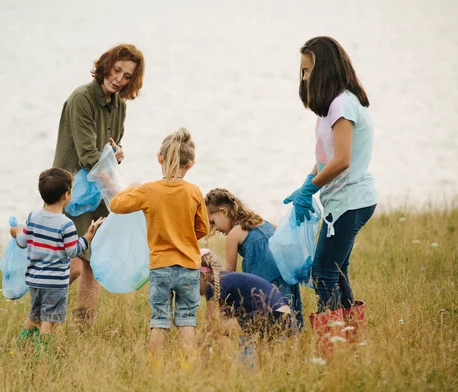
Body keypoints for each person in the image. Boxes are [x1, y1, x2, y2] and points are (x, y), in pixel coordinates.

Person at [284, 36, 377, 352]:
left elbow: (342, 159)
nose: (305, 78)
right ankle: (351, 342)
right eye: (302, 71)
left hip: (350, 203)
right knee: (336, 272)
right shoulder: (334, 105)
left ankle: (330, 350)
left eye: (308, 70)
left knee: (323, 274)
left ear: (324, 69)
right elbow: (326, 157)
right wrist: (305, 184)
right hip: (342, 203)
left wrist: (311, 188)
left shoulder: (342, 104)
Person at [52, 44, 145, 323]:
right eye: (117, 70)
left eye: (127, 76)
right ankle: (42, 306)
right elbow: (88, 156)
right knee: (75, 265)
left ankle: (84, 327)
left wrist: (117, 154)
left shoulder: (120, 106)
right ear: (106, 65)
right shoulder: (82, 98)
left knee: (95, 261)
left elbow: (108, 149)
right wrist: (117, 188)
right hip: (73, 192)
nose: (119, 78)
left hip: (99, 191)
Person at [109, 127, 209, 360]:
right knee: (187, 320)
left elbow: (116, 204)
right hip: (188, 267)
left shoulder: (148, 190)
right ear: (191, 164)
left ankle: (155, 372)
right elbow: (203, 228)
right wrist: (184, 236)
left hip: (161, 266)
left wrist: (133, 188)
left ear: (159, 158)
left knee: (159, 321)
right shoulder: (194, 191)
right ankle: (189, 370)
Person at [9, 168, 104, 346]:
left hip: (35, 281)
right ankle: (43, 357)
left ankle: (19, 347)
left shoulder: (33, 217)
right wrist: (89, 235)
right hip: (55, 284)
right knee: (49, 321)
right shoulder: (66, 224)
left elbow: (22, 241)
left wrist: (15, 231)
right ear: (66, 195)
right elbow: (72, 251)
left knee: (34, 315)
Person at [204, 188, 304, 329]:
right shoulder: (263, 222)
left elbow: (227, 274)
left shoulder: (233, 235)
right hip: (286, 277)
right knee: (288, 324)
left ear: (223, 211)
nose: (214, 229)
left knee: (264, 327)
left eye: (213, 222)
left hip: (264, 282)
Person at [199, 248, 294, 366]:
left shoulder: (212, 286)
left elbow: (211, 326)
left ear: (203, 275)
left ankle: (246, 369)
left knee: (221, 328)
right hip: (283, 310)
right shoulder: (228, 279)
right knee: (268, 360)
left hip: (270, 311)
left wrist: (198, 351)